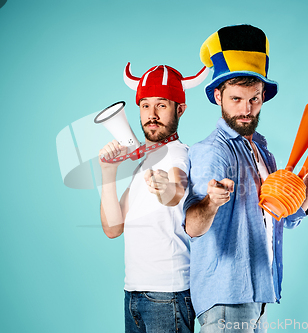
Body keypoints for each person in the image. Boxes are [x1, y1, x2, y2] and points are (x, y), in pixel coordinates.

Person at [184, 25, 308, 332]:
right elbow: (193, 226)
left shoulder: (261, 152)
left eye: (254, 99)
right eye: (236, 99)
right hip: (226, 298)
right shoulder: (212, 152)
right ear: (218, 95)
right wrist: (210, 201)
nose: (246, 110)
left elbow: (288, 214)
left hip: (259, 294)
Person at [98, 63, 208, 333]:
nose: (152, 115)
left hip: (167, 294)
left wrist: (165, 188)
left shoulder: (180, 154)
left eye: (162, 105)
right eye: (145, 105)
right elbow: (113, 228)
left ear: (180, 109)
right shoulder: (141, 165)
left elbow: (175, 191)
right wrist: (108, 173)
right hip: (133, 291)